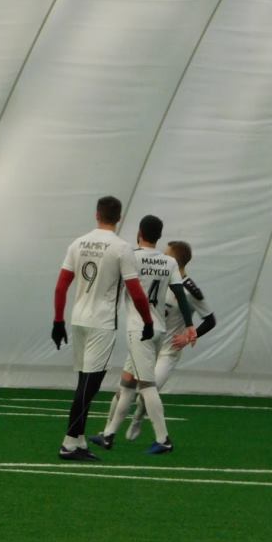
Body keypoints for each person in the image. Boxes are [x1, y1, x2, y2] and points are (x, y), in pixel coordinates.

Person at [52, 196, 154, 461]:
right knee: (89, 386)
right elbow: (136, 292)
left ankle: (79, 439)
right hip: (102, 322)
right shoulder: (121, 248)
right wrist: (148, 321)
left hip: (78, 320)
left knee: (83, 382)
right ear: (119, 218)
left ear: (97, 214)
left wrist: (58, 321)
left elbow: (61, 286)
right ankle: (69, 443)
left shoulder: (78, 243)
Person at [89, 217, 197, 454]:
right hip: (159, 330)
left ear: (139, 232)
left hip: (140, 330)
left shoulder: (131, 257)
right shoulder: (169, 261)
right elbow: (180, 294)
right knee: (127, 384)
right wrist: (190, 326)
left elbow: (113, 289)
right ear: (159, 236)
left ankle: (163, 439)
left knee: (147, 386)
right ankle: (108, 434)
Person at [125, 240, 216, 441]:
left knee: (148, 391)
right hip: (150, 343)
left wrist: (189, 336)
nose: (162, 257)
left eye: (166, 254)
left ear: (175, 260)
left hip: (169, 351)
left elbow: (210, 320)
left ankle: (137, 419)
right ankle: (112, 429)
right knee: (132, 387)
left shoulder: (190, 290)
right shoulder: (162, 279)